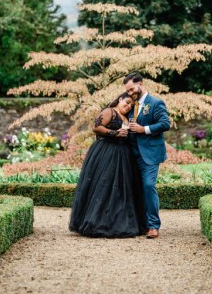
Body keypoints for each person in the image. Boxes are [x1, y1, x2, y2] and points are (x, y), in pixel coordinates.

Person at [69, 92, 146, 238]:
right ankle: (98, 223)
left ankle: (117, 222)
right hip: (106, 153)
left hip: (123, 155)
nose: (128, 106)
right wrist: (115, 133)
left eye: (131, 105)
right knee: (104, 186)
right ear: (120, 99)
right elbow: (96, 127)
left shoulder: (128, 118)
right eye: (127, 102)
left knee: (121, 189)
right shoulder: (109, 111)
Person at [124, 72, 171, 239]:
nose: (130, 93)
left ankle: (153, 226)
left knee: (149, 186)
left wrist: (144, 129)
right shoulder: (130, 104)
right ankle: (139, 223)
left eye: (131, 89)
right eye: (127, 91)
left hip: (149, 154)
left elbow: (165, 124)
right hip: (131, 154)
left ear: (141, 84)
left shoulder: (156, 103)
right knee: (134, 188)